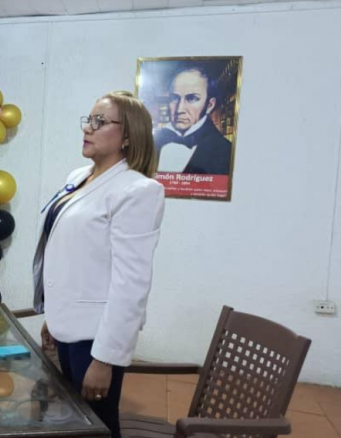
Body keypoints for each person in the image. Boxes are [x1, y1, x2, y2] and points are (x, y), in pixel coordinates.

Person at [33, 91, 165, 438]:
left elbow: (131, 283)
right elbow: (73, 257)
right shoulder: (79, 176)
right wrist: (54, 314)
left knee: (97, 428)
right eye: (88, 120)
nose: (88, 128)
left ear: (128, 136)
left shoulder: (138, 191)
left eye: (100, 121)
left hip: (96, 338)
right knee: (71, 423)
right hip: (68, 325)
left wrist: (106, 359)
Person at [154, 67, 232, 175]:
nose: (180, 109)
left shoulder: (226, 151)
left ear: (210, 105)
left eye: (192, 98)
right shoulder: (151, 142)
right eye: (174, 98)